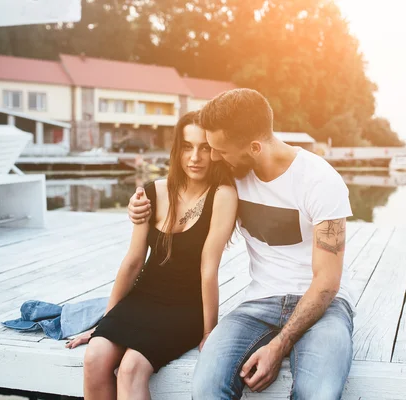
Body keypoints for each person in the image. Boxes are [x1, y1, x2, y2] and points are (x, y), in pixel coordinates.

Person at [127, 89, 354, 399]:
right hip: (259, 303)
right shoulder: (232, 174)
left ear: (255, 147)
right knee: (206, 387)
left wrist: (280, 345)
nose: (214, 157)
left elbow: (327, 282)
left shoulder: (320, 181)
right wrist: (140, 205)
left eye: (219, 149)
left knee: (319, 394)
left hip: (323, 306)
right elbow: (179, 192)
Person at [66, 111, 238, 400]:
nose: (195, 157)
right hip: (142, 299)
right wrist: (107, 322)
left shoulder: (223, 194)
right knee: (95, 356)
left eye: (204, 148)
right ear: (176, 149)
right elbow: (134, 261)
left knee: (131, 368)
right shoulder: (152, 192)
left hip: (185, 308)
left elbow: (209, 268)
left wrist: (210, 331)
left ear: (216, 151)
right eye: (187, 146)